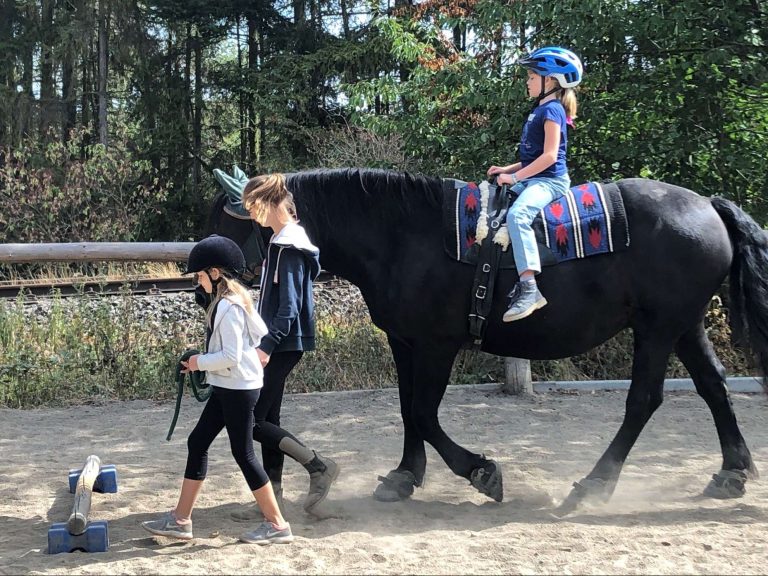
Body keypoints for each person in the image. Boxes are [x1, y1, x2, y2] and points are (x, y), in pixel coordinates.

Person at [141, 234, 294, 545]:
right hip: (230, 386)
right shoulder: (236, 301)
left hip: (236, 388)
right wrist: (206, 361)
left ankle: (277, 525)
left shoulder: (228, 307)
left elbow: (231, 357)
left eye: (200, 275)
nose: (198, 282)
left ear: (215, 273)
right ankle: (181, 520)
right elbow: (259, 334)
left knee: (244, 454)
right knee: (198, 442)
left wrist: (198, 362)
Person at [230, 172, 338, 521]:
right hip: (284, 342)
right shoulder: (285, 240)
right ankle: (272, 497)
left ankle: (318, 465)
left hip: (282, 343)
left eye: (252, 208)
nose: (252, 216)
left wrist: (266, 346)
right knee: (268, 417)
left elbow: (288, 307)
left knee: (252, 421)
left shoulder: (287, 244)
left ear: (267, 203)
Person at [487, 46, 583, 322]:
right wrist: (507, 169)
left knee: (518, 216)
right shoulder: (539, 110)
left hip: (550, 182)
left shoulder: (552, 110)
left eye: (531, 76)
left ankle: (530, 288)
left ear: (550, 80)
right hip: (535, 176)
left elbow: (550, 157)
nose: (527, 82)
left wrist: (515, 178)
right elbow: (532, 156)